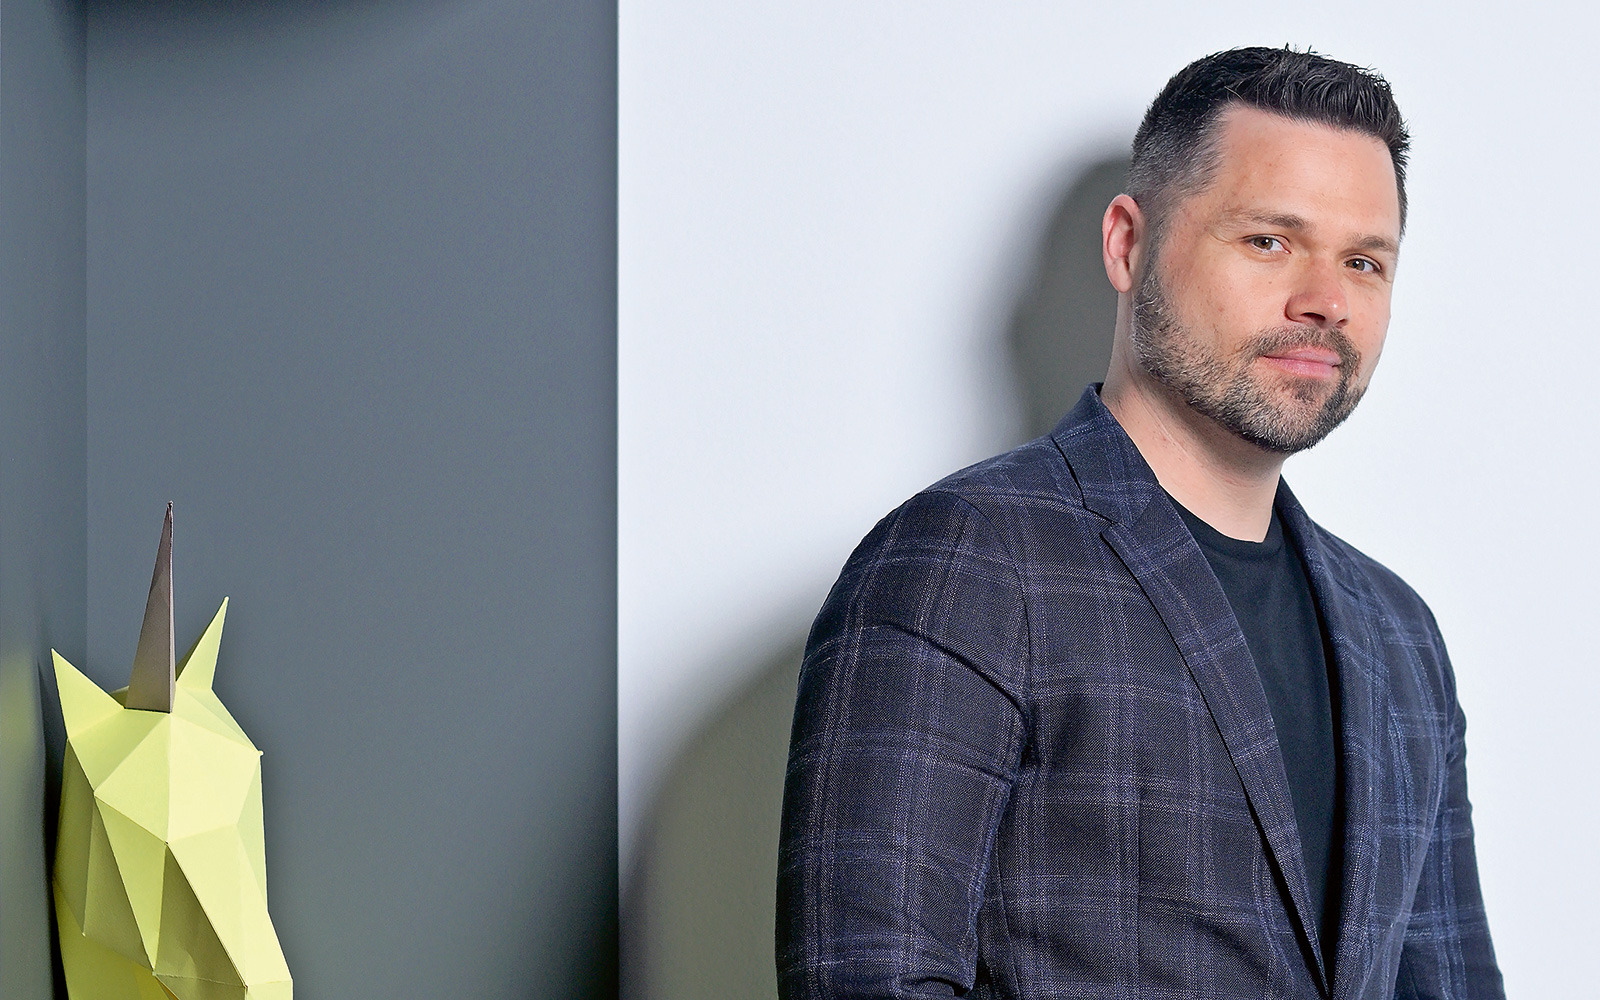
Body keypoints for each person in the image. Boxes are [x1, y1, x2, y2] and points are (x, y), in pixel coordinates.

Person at [776, 47, 1503, 999]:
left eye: (1363, 261)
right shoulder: (966, 562)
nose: (1326, 301)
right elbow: (867, 981)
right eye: (1269, 241)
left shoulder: (1399, 636)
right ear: (1127, 244)